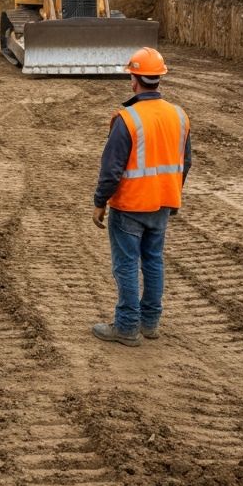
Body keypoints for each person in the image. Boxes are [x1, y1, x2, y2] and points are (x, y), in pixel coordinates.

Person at [91, 46, 191, 346]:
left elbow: (111, 170)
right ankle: (150, 323)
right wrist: (172, 193)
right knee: (153, 261)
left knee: (126, 265)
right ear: (159, 78)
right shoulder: (179, 115)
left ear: (134, 79)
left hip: (131, 206)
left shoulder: (127, 119)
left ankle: (126, 326)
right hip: (162, 204)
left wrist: (99, 202)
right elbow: (185, 162)